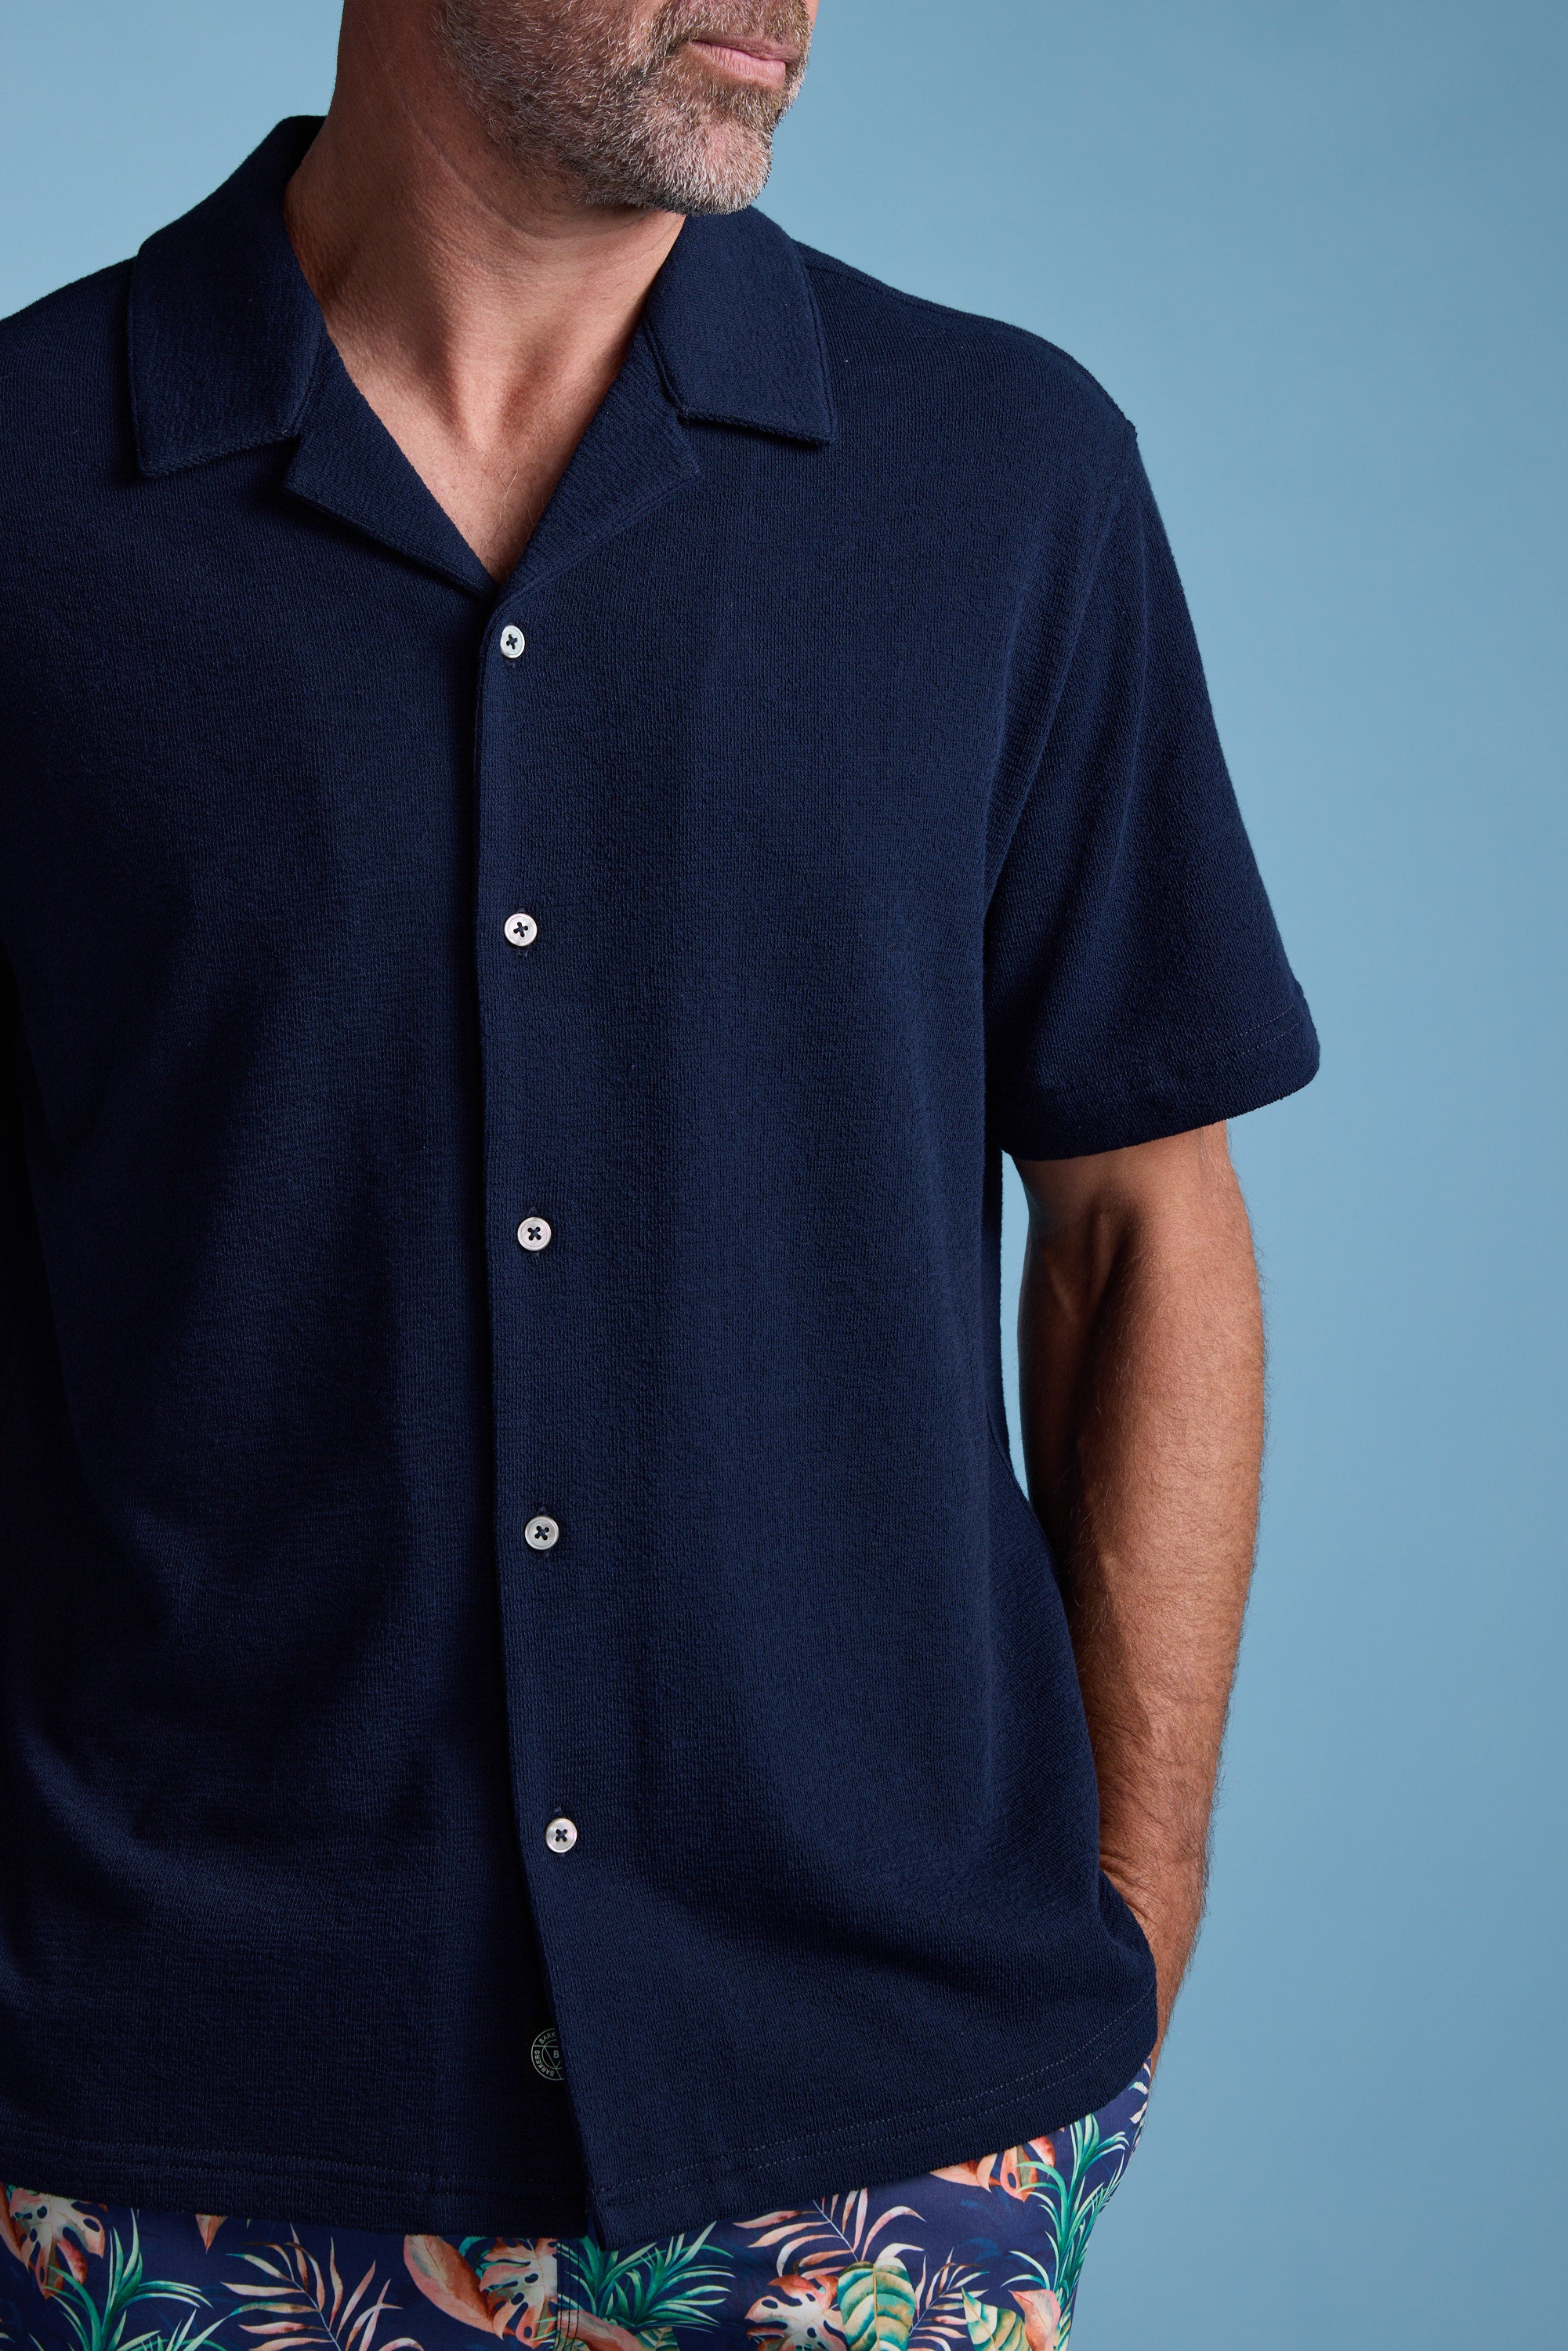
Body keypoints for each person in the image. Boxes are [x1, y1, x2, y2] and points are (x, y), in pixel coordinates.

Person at [0, 2, 1317, 2343]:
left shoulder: (999, 478)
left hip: (883, 2133)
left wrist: (1128, 1903)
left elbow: (1138, 1239)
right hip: (143, 2131)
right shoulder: (17, 492)